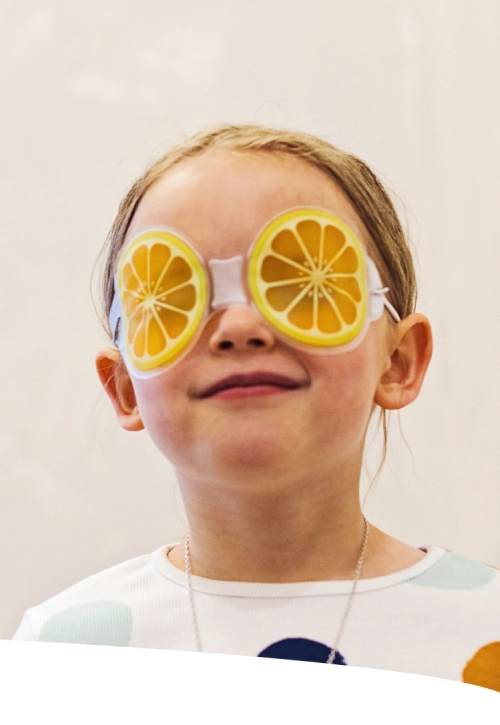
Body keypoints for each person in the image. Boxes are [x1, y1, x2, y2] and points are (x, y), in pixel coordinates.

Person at [13, 125, 500, 690]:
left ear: (397, 363)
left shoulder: (484, 633)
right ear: (124, 388)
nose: (239, 327)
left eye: (303, 284)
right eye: (171, 297)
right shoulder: (61, 656)